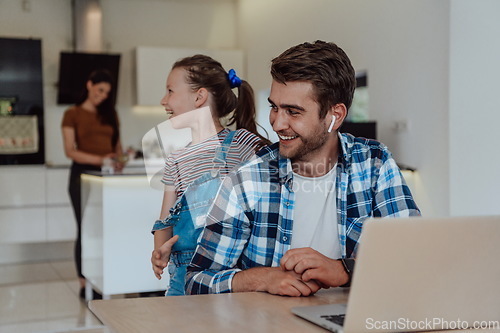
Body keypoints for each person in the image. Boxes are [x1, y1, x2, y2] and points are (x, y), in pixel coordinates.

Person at [185, 41, 421, 296]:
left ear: (335, 116)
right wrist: (262, 279)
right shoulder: (247, 179)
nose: (277, 123)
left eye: (293, 112)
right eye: (275, 107)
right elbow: (196, 281)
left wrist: (345, 271)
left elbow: (413, 258)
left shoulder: (374, 163)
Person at [150, 55, 269, 296]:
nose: (164, 100)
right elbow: (165, 220)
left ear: (199, 96)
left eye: (170, 91)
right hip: (184, 275)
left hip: (233, 274)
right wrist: (159, 251)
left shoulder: (242, 144)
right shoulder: (176, 160)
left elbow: (265, 207)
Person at [61, 69, 124, 298]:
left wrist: (119, 160)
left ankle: (107, 275)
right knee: (86, 229)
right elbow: (70, 151)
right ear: (89, 85)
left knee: (107, 230)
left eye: (107, 92)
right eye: (100, 90)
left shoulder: (111, 114)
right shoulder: (72, 113)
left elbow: (117, 148)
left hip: (107, 177)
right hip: (82, 177)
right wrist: (101, 159)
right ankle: (83, 281)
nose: (103, 95)